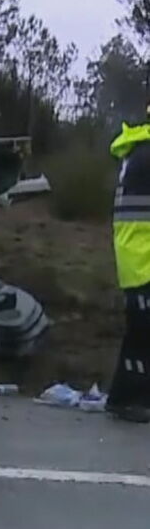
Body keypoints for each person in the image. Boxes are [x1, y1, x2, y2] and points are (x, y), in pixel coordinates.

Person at [107, 104, 150, 424]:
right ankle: (130, 400)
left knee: (139, 330)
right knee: (142, 333)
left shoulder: (139, 151)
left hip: (137, 254)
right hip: (143, 257)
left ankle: (122, 397)